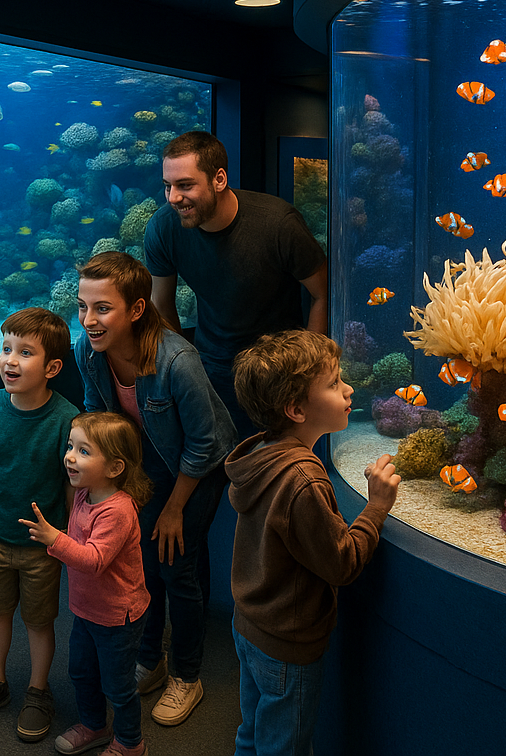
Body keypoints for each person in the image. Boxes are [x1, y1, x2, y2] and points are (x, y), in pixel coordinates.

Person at [74, 251, 236, 729]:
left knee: (176, 566)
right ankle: (152, 657)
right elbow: (96, 415)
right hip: (147, 465)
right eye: (83, 306)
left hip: (198, 468)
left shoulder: (176, 361)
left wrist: (173, 509)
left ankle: (187, 674)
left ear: (137, 309)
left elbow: (205, 445)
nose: (88, 320)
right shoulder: (89, 349)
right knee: (140, 560)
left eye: (102, 308)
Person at [228, 330, 400, 756]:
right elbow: (341, 564)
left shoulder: (260, 454)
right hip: (287, 644)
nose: (349, 389)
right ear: (296, 408)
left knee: (251, 732)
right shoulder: (303, 478)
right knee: (285, 747)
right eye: (334, 383)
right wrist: (376, 507)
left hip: (249, 624)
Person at [145, 131, 328, 438]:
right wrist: (182, 371)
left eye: (185, 185)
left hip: (279, 372)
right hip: (211, 369)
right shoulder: (163, 228)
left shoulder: (279, 223)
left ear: (219, 179)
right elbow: (161, 305)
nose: (174, 197)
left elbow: (322, 293)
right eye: (168, 186)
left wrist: (310, 374)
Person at [0, 307, 77, 743]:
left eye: (24, 352)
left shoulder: (67, 418)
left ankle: (38, 689)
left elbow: (72, 484)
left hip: (42, 546)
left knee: (39, 620)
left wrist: (69, 538)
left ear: (52, 368)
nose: (9, 360)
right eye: (6, 348)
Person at [21, 412, 154, 756]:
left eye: (83, 451)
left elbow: (94, 560)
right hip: (87, 610)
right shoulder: (84, 493)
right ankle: (94, 725)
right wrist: (60, 539)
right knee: (81, 672)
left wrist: (54, 538)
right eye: (70, 446)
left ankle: (130, 742)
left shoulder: (118, 510)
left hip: (117, 617)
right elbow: (78, 542)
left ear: (114, 467)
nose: (69, 456)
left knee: (118, 685)